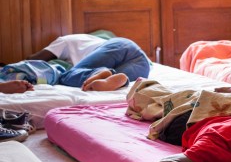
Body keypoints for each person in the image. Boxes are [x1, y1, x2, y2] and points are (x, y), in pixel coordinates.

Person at [0, 36, 150, 92]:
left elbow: (33, 58)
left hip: (118, 46)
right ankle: (115, 78)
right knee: (118, 79)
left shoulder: (63, 41)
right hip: (143, 64)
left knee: (66, 76)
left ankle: (104, 73)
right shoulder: (91, 39)